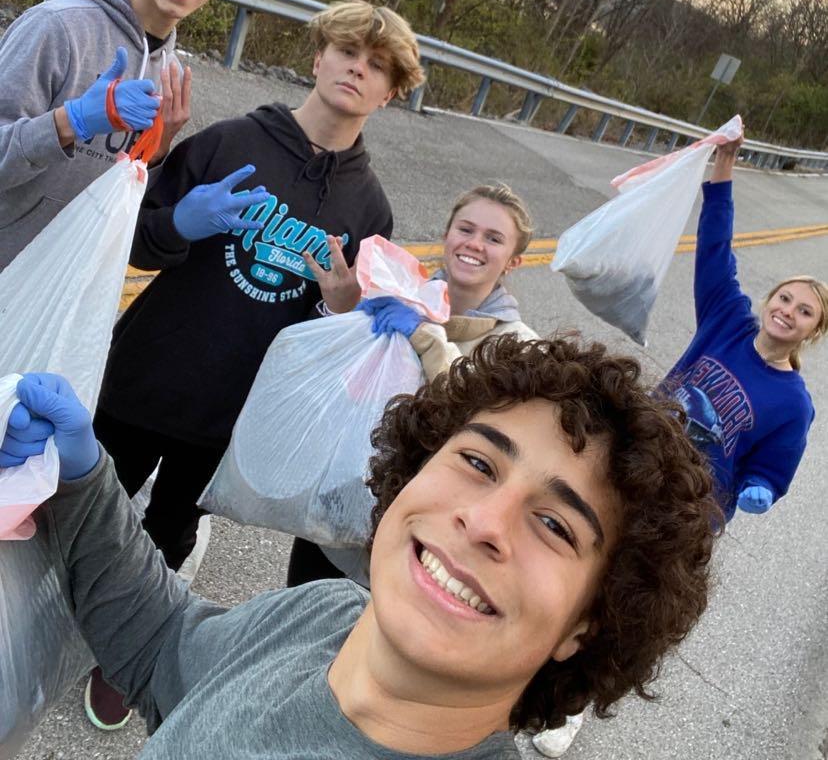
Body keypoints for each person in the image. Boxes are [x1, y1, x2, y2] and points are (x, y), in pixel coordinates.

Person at [2, 333, 719, 758]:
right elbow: (168, 651)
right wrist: (83, 479)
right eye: (478, 462)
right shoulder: (330, 615)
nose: (484, 522)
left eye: (556, 525)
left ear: (587, 623)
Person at [83, 0, 423, 728]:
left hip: (235, 413)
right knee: (82, 500)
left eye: (378, 66)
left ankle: (129, 649)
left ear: (390, 93)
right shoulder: (230, 142)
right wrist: (179, 222)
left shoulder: (369, 207)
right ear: (318, 58)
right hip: (147, 374)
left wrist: (341, 308)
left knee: (167, 530)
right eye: (347, 52)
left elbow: (338, 351)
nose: (358, 69)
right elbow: (133, 240)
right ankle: (41, 613)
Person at [286, 182, 538, 588]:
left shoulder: (520, 348)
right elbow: (338, 386)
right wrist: (342, 310)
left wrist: (426, 338)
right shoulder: (398, 295)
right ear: (447, 235)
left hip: (421, 536)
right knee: (300, 610)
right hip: (339, 510)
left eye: (494, 239)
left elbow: (479, 422)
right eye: (466, 229)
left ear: (513, 261)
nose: (474, 244)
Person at [0, 0, 247, 270]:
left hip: (67, 289)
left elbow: (116, 202)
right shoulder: (57, 29)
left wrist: (156, 150)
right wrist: (70, 121)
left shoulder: (170, 73)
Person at [657, 133, 826, 522]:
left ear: (814, 331)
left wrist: (760, 486)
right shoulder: (728, 318)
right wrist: (725, 162)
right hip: (639, 457)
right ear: (770, 300)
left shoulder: (794, 404)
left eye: (804, 312)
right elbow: (715, 247)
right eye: (785, 298)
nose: (788, 312)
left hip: (686, 512)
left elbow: (772, 467)